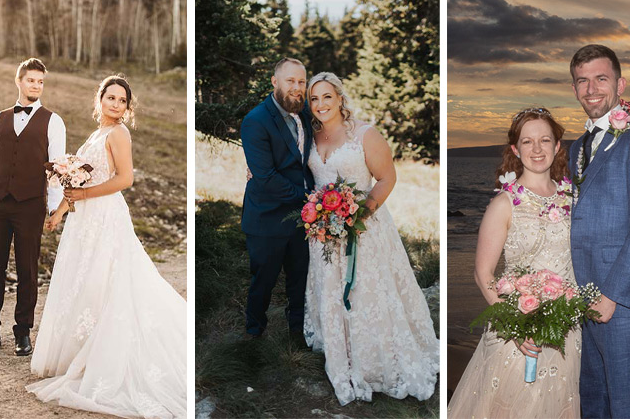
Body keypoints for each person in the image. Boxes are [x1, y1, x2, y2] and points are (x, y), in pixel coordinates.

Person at [26, 76, 186, 418]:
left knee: (106, 283)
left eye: (122, 100)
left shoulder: (119, 134)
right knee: (83, 283)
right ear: (99, 100)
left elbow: (124, 179)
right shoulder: (96, 134)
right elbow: (80, 179)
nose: (115, 104)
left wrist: (82, 195)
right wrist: (59, 212)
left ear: (128, 108)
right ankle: (79, 353)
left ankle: (103, 357)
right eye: (110, 97)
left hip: (106, 219)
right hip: (83, 220)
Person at [303, 72, 438, 406]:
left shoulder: (364, 134)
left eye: (327, 97)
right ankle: (341, 347)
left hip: (363, 230)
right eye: (314, 99)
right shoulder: (309, 135)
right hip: (323, 234)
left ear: (339, 98)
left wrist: (359, 213)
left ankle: (375, 357)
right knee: (332, 290)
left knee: (367, 291)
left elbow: (387, 177)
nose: (320, 105)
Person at [448, 108, 580, 418]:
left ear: (558, 146)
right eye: (528, 141)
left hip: (566, 331)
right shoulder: (503, 203)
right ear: (515, 149)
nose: (537, 149)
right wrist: (516, 328)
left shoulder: (573, 199)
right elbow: (483, 274)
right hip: (517, 330)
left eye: (545, 140)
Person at [569, 44, 630, 419]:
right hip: (580, 298)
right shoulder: (578, 146)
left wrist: (611, 296)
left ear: (620, 84)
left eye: (601, 78)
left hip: (621, 301)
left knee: (625, 406)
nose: (591, 89)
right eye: (582, 81)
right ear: (574, 88)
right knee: (593, 401)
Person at [0, 58, 66, 356]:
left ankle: (23, 333)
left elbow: (55, 168)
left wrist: (53, 207)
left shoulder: (53, 121)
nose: (36, 86)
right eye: (31, 80)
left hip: (29, 205)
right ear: (19, 81)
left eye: (40, 82)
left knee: (27, 269)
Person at [240, 57, 315, 341]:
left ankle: (298, 334)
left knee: (301, 279)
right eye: (290, 81)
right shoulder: (256, 120)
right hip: (267, 217)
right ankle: (253, 335)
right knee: (263, 281)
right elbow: (266, 177)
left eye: (301, 82)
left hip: (304, 218)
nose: (297, 88)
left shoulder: (307, 114)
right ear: (275, 82)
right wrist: (310, 199)